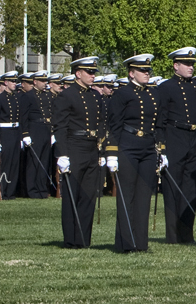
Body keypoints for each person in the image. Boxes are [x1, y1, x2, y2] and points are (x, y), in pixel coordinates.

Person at [105, 54, 159, 253]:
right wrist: (112, 152)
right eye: (142, 70)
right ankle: (125, 243)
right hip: (128, 145)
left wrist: (160, 148)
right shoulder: (122, 94)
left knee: (144, 196)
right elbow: (113, 124)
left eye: (148, 70)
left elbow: (158, 123)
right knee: (127, 195)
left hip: (147, 147)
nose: (146, 73)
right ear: (131, 73)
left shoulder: (152, 94)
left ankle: (141, 243)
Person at [53, 56, 108, 248]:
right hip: (74, 147)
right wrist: (62, 154)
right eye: (89, 72)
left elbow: (101, 122)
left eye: (94, 72)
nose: (93, 76)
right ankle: (71, 239)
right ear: (78, 73)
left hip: (91, 148)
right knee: (72, 196)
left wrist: (101, 149)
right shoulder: (67, 95)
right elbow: (60, 126)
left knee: (88, 196)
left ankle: (84, 239)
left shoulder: (96, 96)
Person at [156, 47, 196, 243]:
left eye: (192, 64)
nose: (190, 67)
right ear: (176, 66)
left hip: (192, 140)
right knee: (172, 189)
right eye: (186, 64)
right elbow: (160, 119)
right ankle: (173, 234)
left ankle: (187, 233)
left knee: (190, 189)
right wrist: (161, 147)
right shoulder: (166, 87)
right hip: (174, 137)